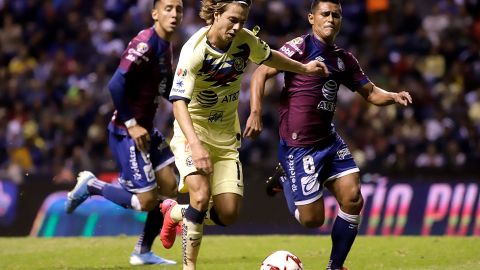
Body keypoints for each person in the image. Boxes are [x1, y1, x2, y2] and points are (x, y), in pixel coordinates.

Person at [158, 0, 328, 269]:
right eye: (232, 20)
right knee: (200, 197)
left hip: (226, 138)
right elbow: (178, 102)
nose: (237, 27)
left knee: (228, 213)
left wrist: (304, 68)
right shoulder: (194, 50)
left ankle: (175, 212)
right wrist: (195, 144)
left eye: (242, 21)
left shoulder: (244, 41)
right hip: (194, 132)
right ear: (216, 15)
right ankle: (188, 266)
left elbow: (269, 56)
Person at [244, 0, 412, 270]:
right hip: (299, 147)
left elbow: (369, 93)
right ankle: (285, 178)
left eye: (336, 15)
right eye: (325, 13)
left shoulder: (344, 59)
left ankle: (335, 266)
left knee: (354, 198)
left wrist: (393, 96)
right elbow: (262, 72)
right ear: (312, 18)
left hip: (329, 140)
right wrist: (255, 111)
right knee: (313, 220)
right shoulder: (298, 47)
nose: (331, 18)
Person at [64, 0, 183, 265]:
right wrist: (131, 123)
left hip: (146, 131)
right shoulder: (145, 43)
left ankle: (142, 252)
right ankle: (92, 185)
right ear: (155, 13)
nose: (174, 14)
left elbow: (165, 88)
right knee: (146, 201)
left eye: (178, 9)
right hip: (127, 132)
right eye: (168, 8)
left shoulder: (166, 46)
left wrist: (188, 99)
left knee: (170, 189)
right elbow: (115, 84)